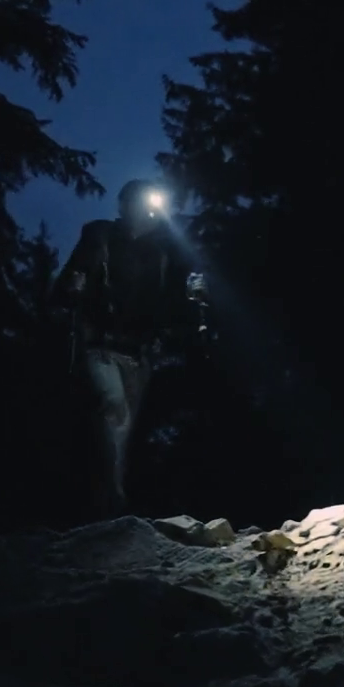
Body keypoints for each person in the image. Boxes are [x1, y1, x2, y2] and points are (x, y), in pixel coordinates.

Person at [53, 179, 207, 518]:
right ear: (123, 206)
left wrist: (193, 309)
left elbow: (181, 297)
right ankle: (111, 502)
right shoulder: (100, 235)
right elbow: (69, 280)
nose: (145, 210)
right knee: (114, 409)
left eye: (150, 204)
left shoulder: (164, 250)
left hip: (139, 353)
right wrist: (73, 289)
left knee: (123, 430)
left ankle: (106, 503)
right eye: (136, 202)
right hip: (99, 345)